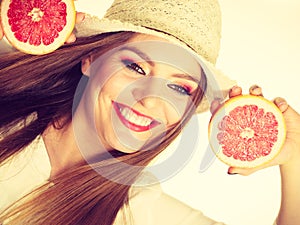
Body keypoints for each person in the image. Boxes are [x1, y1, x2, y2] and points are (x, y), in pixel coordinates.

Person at [0, 0, 299, 224]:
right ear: (91, 58)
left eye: (180, 88)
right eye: (135, 67)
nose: (151, 101)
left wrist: (295, 156)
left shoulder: (140, 210)